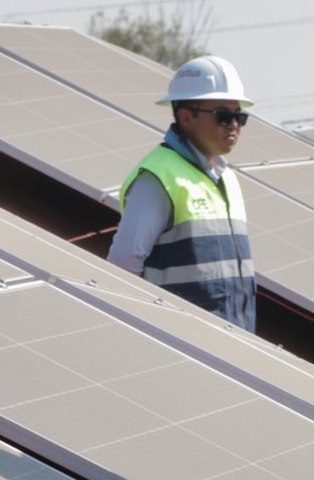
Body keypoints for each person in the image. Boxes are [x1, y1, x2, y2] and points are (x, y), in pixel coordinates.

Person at [109, 55, 259, 330]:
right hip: (183, 340)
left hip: (234, 341)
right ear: (186, 116)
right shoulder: (158, 177)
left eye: (239, 116)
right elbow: (122, 267)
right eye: (223, 116)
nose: (233, 125)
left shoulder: (228, 179)